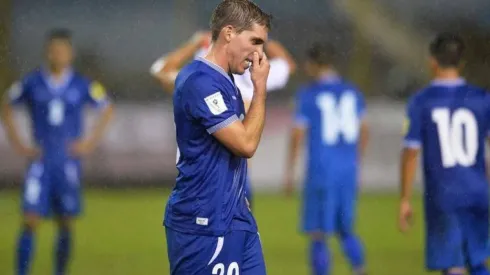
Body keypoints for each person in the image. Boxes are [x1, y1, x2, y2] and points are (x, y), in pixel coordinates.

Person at [163, 0, 271, 274]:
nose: (260, 54)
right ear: (229, 33)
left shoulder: (227, 80)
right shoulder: (199, 81)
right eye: (255, 42)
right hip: (203, 223)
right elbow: (246, 144)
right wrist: (260, 89)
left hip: (237, 218)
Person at [1, 29, 114, 275]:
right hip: (40, 161)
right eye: (54, 51)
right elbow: (6, 104)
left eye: (62, 50)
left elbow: (106, 107)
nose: (58, 55)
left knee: (66, 222)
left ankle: (60, 271)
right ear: (47, 53)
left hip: (68, 163)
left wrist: (88, 143)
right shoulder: (32, 82)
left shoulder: (82, 84)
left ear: (70, 54)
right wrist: (19, 143)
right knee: (30, 219)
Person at [150, 31, 296, 209]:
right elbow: (287, 64)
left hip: (203, 177)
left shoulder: (197, 82)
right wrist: (265, 40)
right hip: (235, 177)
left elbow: (161, 71)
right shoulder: (252, 76)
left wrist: (194, 43)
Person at [399, 33, 490, 275]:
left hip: (444, 194)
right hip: (478, 192)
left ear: (432, 61)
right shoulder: (482, 98)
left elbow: (410, 152)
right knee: (477, 261)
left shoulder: (421, 101)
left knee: (452, 265)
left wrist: (405, 199)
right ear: (462, 63)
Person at [284, 42, 369, 275]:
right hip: (347, 170)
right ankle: (359, 269)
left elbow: (297, 135)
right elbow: (364, 129)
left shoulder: (309, 95)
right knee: (345, 228)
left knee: (318, 231)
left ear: (313, 64)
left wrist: (289, 171)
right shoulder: (353, 91)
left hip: (322, 168)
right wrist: (355, 160)